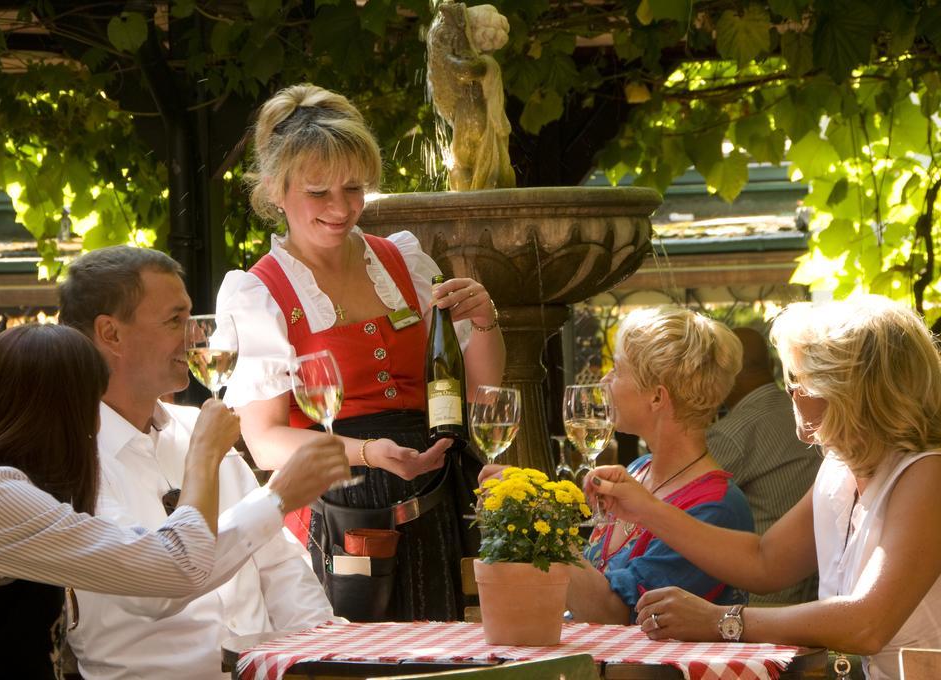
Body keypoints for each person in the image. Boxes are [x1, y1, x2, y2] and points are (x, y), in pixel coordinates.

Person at [216, 83, 506, 621]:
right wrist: (367, 452)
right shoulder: (259, 293)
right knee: (360, 663)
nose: (341, 208)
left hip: (438, 489)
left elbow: (480, 394)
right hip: (340, 507)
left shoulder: (403, 261)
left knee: (449, 656)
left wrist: (485, 322)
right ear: (276, 191)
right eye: (318, 192)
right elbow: (264, 442)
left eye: (353, 189)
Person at [591, 296, 941, 680]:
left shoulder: (927, 472)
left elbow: (867, 624)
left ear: (851, 390)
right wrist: (645, 509)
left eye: (799, 378)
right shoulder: (839, 469)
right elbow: (764, 560)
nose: (790, 392)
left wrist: (723, 621)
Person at [59, 246, 349, 680]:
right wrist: (276, 497)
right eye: (175, 321)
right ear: (111, 334)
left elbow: (279, 567)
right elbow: (155, 587)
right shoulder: (71, 458)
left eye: (192, 319)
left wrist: (326, 656)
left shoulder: (197, 425)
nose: (197, 338)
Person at [0, 324, 237, 679]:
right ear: (62, 412)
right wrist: (204, 454)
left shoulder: (2, 493)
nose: (97, 425)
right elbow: (179, 565)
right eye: (93, 404)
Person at [565, 306, 754, 624]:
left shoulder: (717, 507)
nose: (605, 379)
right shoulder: (638, 470)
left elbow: (617, 615)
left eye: (618, 369)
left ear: (656, 398)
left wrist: (538, 528)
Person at [707, 327, 820, 604]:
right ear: (771, 365)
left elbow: (688, 503)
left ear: (724, 375)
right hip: (812, 587)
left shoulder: (732, 434)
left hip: (759, 596)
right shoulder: (801, 413)